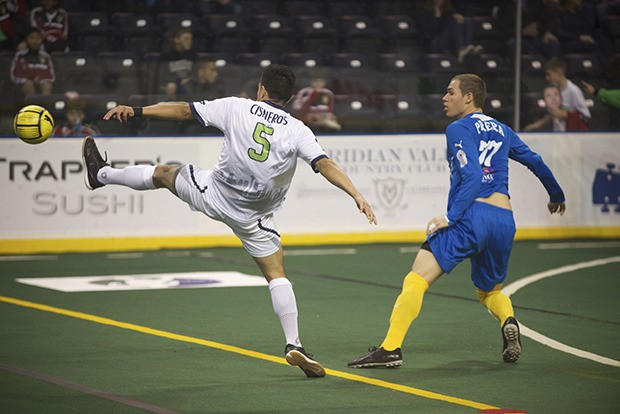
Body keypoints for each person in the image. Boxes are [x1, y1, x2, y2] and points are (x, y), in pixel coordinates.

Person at [84, 63, 377, 378]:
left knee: (163, 173)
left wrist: (138, 110)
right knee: (277, 275)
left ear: (260, 89)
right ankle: (294, 344)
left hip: (213, 194)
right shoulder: (298, 129)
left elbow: (183, 111)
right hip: (255, 218)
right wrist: (356, 195)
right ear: (290, 97)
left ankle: (100, 174)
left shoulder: (236, 108)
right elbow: (324, 164)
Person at [348, 74, 566, 369]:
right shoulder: (502, 129)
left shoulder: (458, 128)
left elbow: (473, 175)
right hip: (503, 219)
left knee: (416, 278)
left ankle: (390, 348)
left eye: (450, 92)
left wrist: (450, 216)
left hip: (470, 217)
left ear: (469, 97)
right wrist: (556, 194)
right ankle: (508, 320)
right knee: (490, 291)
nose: (444, 97)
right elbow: (535, 161)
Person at [523, 57, 590, 131]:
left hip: (572, 135)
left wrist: (565, 114)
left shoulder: (573, 91)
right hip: (558, 134)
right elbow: (553, 113)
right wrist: (537, 124)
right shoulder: (555, 90)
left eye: (549, 74)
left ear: (559, 73)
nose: (547, 78)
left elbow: (585, 114)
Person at [415, 0, 484, 64]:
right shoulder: (425, 11)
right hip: (434, 42)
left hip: (449, 41)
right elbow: (429, 32)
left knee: (467, 20)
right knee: (454, 22)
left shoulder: (449, 10)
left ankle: (469, 47)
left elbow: (456, 18)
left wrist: (459, 17)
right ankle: (460, 49)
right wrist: (437, 16)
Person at [524, 84, 589, 131]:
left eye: (556, 94)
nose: (553, 98)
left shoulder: (570, 112)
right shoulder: (542, 118)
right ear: (544, 101)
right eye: (549, 96)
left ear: (561, 98)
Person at [10, 28, 55, 97]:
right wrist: (30, 80)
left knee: (47, 85)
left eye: (38, 38)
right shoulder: (20, 55)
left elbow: (51, 77)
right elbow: (14, 75)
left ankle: (44, 106)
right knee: (29, 84)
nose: (35, 41)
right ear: (26, 40)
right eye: (32, 38)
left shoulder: (46, 57)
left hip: (41, 84)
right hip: (23, 86)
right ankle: (32, 106)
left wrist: (40, 80)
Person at [161, 27, 197, 100]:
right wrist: (178, 81)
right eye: (186, 39)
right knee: (171, 86)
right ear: (177, 40)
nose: (189, 41)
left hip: (189, 82)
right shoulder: (167, 55)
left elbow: (196, 71)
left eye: (190, 39)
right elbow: (163, 74)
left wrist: (189, 79)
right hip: (173, 82)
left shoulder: (193, 55)